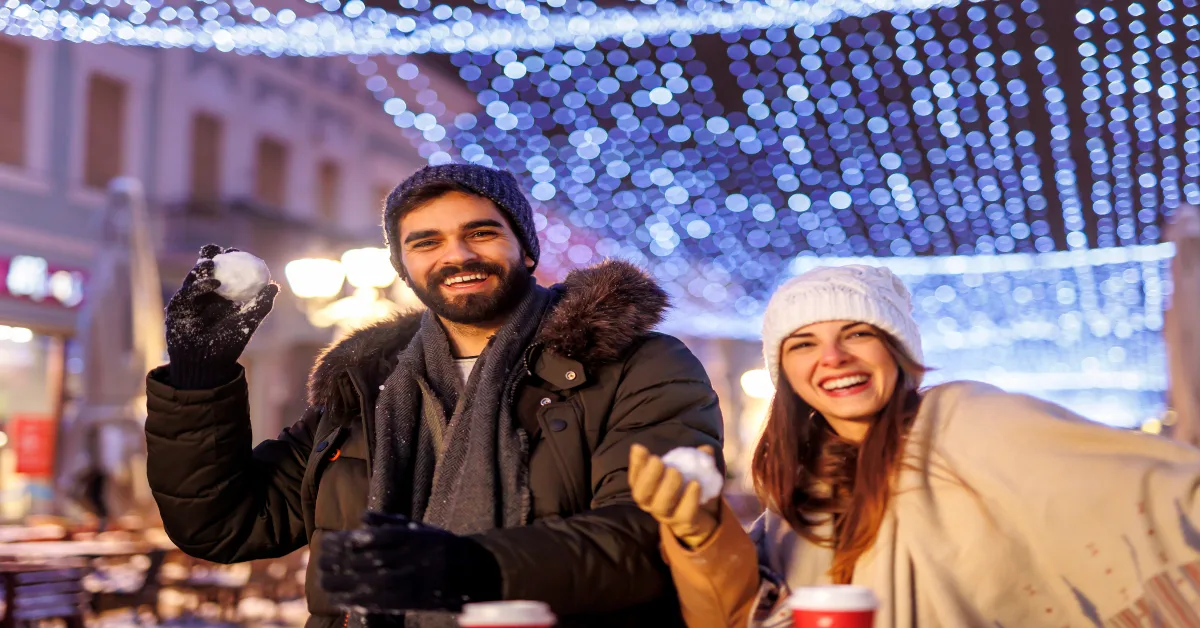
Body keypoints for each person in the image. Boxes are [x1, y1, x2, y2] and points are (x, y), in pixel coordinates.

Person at [144, 163, 723, 628]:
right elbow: (225, 526)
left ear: (525, 249)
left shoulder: (636, 365)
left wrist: (471, 567)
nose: (457, 256)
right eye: (426, 242)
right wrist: (201, 377)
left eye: (481, 233)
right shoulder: (364, 388)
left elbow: (651, 534)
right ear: (404, 268)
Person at [630, 264, 1200, 627]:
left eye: (856, 333)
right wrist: (700, 534)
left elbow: (1161, 486)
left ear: (897, 349)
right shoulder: (800, 495)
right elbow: (740, 618)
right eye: (803, 343)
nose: (833, 358)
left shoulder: (963, 418)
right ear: (786, 372)